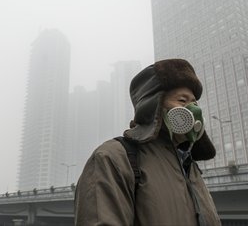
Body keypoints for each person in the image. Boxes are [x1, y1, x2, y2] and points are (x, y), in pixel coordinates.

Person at [74, 59, 221, 226]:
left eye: (194, 103)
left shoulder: (190, 167)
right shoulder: (113, 158)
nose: (194, 110)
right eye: (182, 100)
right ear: (154, 106)